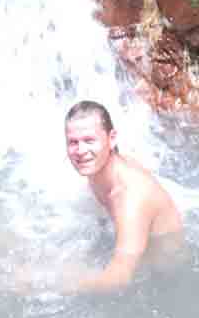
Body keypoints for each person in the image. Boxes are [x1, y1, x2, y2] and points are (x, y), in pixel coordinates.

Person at [52, 99, 183, 292]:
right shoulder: (100, 168)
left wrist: (55, 283)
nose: (80, 151)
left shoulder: (131, 197)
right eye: (73, 142)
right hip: (135, 246)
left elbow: (120, 277)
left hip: (163, 280)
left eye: (89, 140)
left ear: (111, 138)